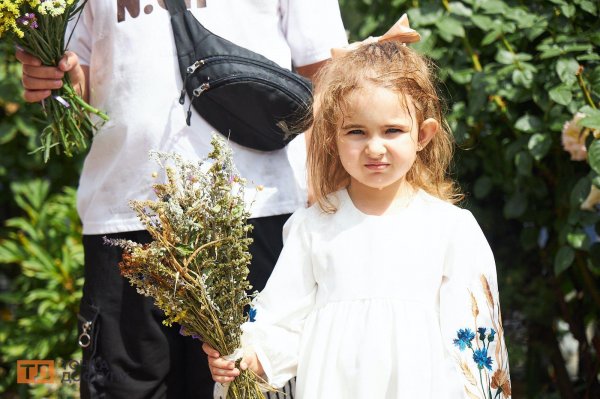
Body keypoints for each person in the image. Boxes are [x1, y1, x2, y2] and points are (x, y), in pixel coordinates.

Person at [16, 1, 347, 398]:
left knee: (250, 386)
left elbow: (325, 72)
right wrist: (57, 77)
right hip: (125, 215)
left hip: (257, 208)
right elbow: (84, 72)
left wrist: (324, 198)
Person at [204, 15, 512, 399]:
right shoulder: (312, 227)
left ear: (424, 134)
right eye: (356, 132)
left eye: (392, 130)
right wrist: (246, 357)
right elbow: (282, 320)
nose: (375, 148)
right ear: (332, 138)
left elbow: (473, 343)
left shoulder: (450, 229)